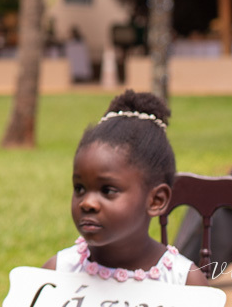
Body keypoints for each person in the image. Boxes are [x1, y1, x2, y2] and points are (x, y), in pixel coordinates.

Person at [44, 90, 208, 286]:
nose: (87, 203)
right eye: (80, 188)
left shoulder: (182, 281)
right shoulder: (57, 273)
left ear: (156, 200)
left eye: (108, 191)